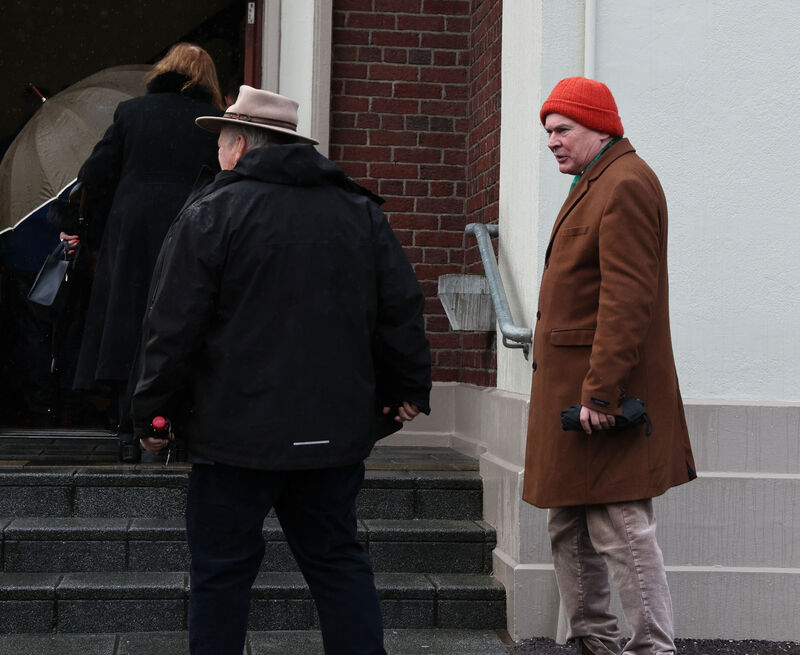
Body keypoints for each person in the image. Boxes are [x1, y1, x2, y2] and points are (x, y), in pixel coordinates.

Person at [131, 86, 432, 655]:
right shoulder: (359, 211)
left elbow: (172, 326)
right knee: (339, 564)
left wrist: (154, 413)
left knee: (221, 574)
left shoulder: (214, 211)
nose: (217, 156)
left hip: (233, 435)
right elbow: (400, 309)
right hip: (332, 433)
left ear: (240, 145)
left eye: (220, 143)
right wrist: (405, 388)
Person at [523, 77, 697, 655]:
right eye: (548, 131)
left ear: (600, 125)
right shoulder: (595, 180)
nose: (552, 141)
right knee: (568, 525)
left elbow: (627, 298)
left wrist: (601, 394)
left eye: (562, 129)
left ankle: (653, 647)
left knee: (621, 526)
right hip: (574, 398)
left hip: (599, 400)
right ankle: (593, 643)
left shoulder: (623, 182)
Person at [57, 43, 224, 459]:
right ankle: (175, 420)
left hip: (131, 234)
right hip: (191, 230)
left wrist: (78, 227)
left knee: (127, 322)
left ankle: (129, 424)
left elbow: (93, 175)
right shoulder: (214, 122)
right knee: (180, 322)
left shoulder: (132, 113)